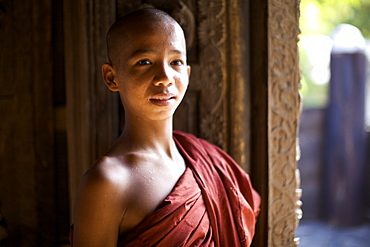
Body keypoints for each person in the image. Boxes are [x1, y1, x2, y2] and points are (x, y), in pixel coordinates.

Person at [70, 8, 260, 247]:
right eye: (144, 62)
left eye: (176, 62)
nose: (165, 77)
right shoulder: (108, 181)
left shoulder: (205, 158)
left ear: (188, 74)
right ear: (112, 77)